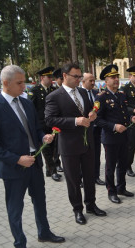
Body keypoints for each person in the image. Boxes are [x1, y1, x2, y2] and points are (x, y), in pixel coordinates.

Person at [0, 65, 65, 248]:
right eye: (19, 83)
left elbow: (35, 128)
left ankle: (44, 232)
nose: (23, 86)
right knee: (15, 208)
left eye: (24, 82)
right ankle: (20, 244)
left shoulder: (26, 103)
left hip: (34, 162)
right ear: (5, 83)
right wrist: (17, 159)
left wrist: (43, 136)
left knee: (40, 200)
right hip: (14, 167)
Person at [45, 63, 106, 225]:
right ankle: (77, 209)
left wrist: (91, 115)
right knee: (73, 180)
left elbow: (87, 112)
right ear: (65, 76)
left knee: (89, 176)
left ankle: (91, 204)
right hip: (69, 145)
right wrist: (75, 121)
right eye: (76, 76)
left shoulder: (82, 92)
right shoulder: (54, 96)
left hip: (88, 143)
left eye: (80, 76)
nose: (79, 79)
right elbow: (50, 119)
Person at [95, 64, 135, 204]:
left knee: (123, 164)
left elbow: (124, 113)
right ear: (105, 81)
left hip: (124, 136)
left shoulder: (121, 95)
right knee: (110, 166)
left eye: (117, 77)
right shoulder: (101, 97)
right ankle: (111, 191)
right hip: (110, 138)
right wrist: (114, 126)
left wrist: (132, 118)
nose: (116, 80)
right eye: (112, 77)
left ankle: (121, 188)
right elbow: (97, 119)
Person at [29, 67, 61, 181]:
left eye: (52, 77)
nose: (51, 79)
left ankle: (49, 170)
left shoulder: (53, 89)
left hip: (52, 124)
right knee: (46, 149)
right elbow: (31, 109)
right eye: (49, 77)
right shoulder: (35, 90)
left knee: (53, 149)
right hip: (41, 125)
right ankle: (53, 171)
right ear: (42, 78)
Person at [81, 73, 105, 185]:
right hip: (83, 130)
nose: (92, 83)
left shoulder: (97, 93)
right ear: (83, 81)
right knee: (83, 154)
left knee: (96, 154)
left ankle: (96, 176)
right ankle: (82, 178)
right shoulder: (79, 94)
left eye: (93, 80)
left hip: (96, 129)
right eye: (90, 80)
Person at [52, 68, 63, 172]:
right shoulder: (53, 91)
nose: (62, 80)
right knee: (56, 145)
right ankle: (56, 163)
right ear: (56, 79)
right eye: (60, 78)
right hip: (56, 122)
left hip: (64, 122)